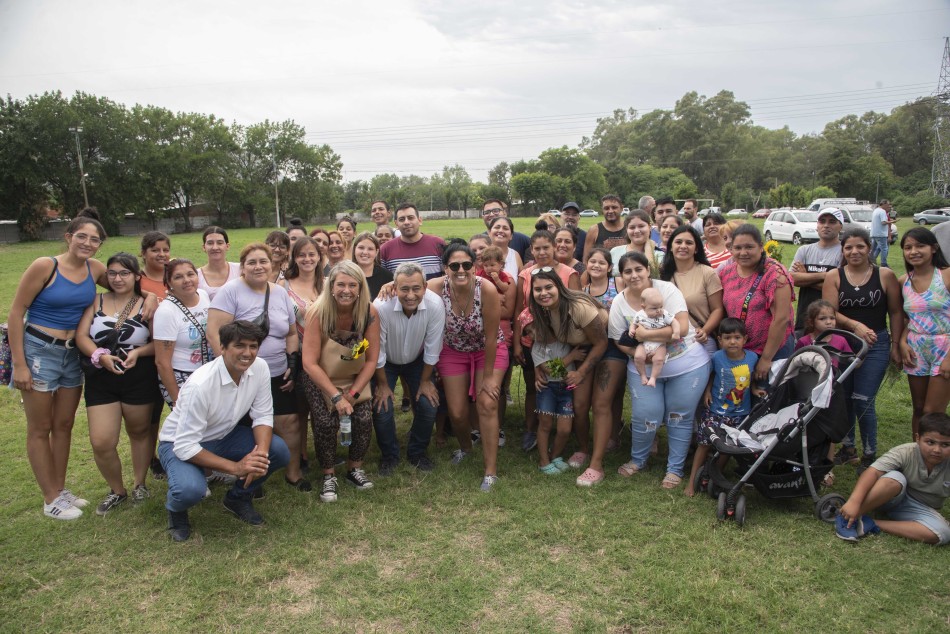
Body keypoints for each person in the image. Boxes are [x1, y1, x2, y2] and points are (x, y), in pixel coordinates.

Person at [9, 208, 111, 519]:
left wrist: (154, 295)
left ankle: (60, 489)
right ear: (68, 237)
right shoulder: (45, 266)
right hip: (39, 351)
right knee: (40, 427)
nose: (87, 243)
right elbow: (16, 313)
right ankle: (49, 497)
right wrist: (20, 364)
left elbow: (125, 283)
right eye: (82, 236)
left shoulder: (95, 269)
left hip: (72, 354)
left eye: (94, 240)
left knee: (64, 425)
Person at [158, 320, 291, 542]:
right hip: (178, 444)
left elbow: (263, 415)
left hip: (223, 437)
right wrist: (236, 467)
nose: (247, 353)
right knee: (189, 490)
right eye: (239, 346)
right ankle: (176, 510)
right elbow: (184, 445)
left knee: (277, 451)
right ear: (222, 348)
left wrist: (259, 456)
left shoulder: (260, 368)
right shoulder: (200, 385)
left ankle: (238, 497)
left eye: (253, 346)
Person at [208, 243, 307, 491]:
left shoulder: (279, 293)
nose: (258, 266)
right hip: (242, 375)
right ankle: (250, 475)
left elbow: (292, 332)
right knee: (246, 427)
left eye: (263, 261)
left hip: (277, 372)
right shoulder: (230, 292)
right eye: (251, 262)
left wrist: (292, 361)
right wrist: (232, 368)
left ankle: (293, 473)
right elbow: (214, 334)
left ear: (271, 264)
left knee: (289, 422)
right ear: (242, 267)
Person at [611, 251, 710, 489]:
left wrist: (645, 335)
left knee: (679, 417)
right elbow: (618, 340)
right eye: (627, 271)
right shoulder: (619, 302)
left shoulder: (666, 291)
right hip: (642, 368)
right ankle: (638, 459)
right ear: (621, 275)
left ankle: (674, 469)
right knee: (646, 415)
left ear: (648, 270)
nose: (634, 275)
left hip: (687, 363)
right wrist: (640, 356)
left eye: (638, 269)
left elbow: (683, 328)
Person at [76, 252, 158, 515]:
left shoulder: (148, 304)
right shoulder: (96, 300)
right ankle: (117, 490)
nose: (118, 278)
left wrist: (138, 352)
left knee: (139, 431)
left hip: (138, 373)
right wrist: (100, 355)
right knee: (101, 441)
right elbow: (81, 335)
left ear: (136, 276)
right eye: (112, 273)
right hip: (102, 374)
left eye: (125, 273)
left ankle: (139, 484)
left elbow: (159, 343)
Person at [823, 228, 903, 471]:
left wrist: (896, 345)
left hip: (876, 343)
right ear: (843, 250)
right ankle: (848, 449)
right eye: (848, 247)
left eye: (860, 246)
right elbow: (830, 312)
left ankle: (870, 453)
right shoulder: (834, 276)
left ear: (869, 248)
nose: (854, 251)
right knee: (844, 398)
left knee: (863, 399)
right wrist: (855, 325)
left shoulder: (885, 275)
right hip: (844, 344)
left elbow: (896, 312)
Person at [301, 261, 381, 502]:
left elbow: (371, 359)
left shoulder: (369, 313)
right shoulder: (317, 312)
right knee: (325, 422)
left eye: (352, 285)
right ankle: (328, 475)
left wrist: (353, 394)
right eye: (341, 284)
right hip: (321, 377)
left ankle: (354, 468)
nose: (346, 290)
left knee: (363, 418)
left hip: (354, 377)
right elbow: (309, 363)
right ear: (331, 287)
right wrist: (336, 397)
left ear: (360, 288)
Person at [430, 242, 507, 492]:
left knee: (487, 403)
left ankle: (491, 471)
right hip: (453, 350)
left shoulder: (486, 289)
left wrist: (486, 378)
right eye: (454, 265)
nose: (461, 270)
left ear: (474, 267)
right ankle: (465, 447)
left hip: (488, 349)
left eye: (466, 265)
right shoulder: (435, 288)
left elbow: (492, 337)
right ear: (445, 268)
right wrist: (390, 286)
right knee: (458, 413)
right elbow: (407, 287)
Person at [527, 269, 607, 475]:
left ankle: (597, 448)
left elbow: (601, 343)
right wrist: (538, 369)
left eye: (548, 287)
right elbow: (540, 348)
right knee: (579, 405)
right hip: (576, 350)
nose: (543, 293)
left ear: (559, 288)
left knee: (598, 402)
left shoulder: (578, 307)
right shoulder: (544, 310)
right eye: (538, 289)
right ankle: (581, 449)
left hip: (603, 345)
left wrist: (580, 373)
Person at [372, 263, 444, 474]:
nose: (410, 295)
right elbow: (378, 351)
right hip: (386, 363)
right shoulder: (381, 306)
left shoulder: (435, 304)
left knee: (429, 404)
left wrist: (424, 381)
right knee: (381, 406)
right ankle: (389, 455)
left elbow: (433, 345)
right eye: (404, 289)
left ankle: (417, 452)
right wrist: (383, 384)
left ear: (425, 286)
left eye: (416, 288)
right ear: (394, 287)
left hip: (416, 360)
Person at [835, 413, 950, 545]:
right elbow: (873, 472)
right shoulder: (905, 451)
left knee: (943, 532)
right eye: (930, 442)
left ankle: (870, 522)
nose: (937, 450)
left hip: (920, 509)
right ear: (918, 438)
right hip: (890, 497)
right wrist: (854, 502)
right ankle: (848, 517)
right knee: (895, 478)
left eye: (945, 445)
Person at [513, 230, 581, 453]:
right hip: (532, 339)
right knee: (536, 384)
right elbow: (518, 309)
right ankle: (532, 429)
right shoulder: (525, 274)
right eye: (537, 248)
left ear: (554, 247)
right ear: (531, 250)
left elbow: (577, 307)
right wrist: (516, 343)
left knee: (562, 381)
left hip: (563, 340)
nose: (542, 252)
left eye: (546, 247)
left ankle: (563, 427)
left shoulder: (568, 273)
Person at [685, 318, 766, 497]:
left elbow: (749, 377)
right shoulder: (716, 357)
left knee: (727, 447)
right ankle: (691, 482)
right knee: (704, 444)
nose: (732, 342)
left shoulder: (752, 358)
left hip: (739, 413)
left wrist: (754, 390)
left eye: (737, 337)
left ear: (745, 339)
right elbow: (710, 375)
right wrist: (707, 391)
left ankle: (714, 475)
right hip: (715, 410)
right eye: (727, 337)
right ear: (720, 340)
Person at [718, 224, 795, 382]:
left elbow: (781, 319)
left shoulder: (775, 275)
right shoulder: (727, 272)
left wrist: (766, 359)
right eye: (737, 248)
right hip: (740, 349)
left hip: (773, 351)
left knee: (768, 399)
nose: (743, 252)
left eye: (749, 247)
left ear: (761, 247)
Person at [898, 227, 950, 438]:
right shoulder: (903, 281)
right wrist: (902, 343)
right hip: (916, 348)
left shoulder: (946, 275)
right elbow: (906, 319)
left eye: (920, 246)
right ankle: (917, 457)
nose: (914, 251)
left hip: (944, 348)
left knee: (933, 412)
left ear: (934, 248)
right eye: (908, 247)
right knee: (919, 408)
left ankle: (936, 459)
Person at [281, 237, 324, 472]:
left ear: (319, 257)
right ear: (294, 258)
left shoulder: (327, 283)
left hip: (324, 357)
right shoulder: (283, 285)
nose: (307, 259)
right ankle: (301, 456)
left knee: (321, 407)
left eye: (312, 254)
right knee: (300, 409)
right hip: (296, 354)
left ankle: (323, 450)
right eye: (302, 255)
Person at [153, 259, 212, 409]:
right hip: (182, 376)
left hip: (208, 372)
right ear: (169, 282)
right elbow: (162, 362)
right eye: (178, 277)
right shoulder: (166, 312)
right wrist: (177, 398)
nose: (186, 280)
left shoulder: (204, 295)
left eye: (190, 274)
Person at [659, 225, 724, 354]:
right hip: (671, 340)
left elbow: (718, 309)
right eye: (678, 242)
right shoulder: (663, 275)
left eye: (689, 243)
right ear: (671, 247)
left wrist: (705, 330)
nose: (683, 246)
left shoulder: (707, 273)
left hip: (699, 339)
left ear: (696, 249)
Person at [791, 208, 844, 331]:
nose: (826, 225)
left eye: (832, 222)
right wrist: (825, 276)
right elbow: (792, 279)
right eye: (822, 221)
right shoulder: (804, 250)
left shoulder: (844, 251)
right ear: (817, 225)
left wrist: (806, 277)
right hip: (805, 319)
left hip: (832, 322)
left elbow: (842, 287)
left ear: (840, 226)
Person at [629, 287, 680, 387]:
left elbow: (675, 322)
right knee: (638, 357)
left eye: (661, 306)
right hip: (644, 344)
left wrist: (676, 332)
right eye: (654, 308)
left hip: (659, 344)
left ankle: (653, 378)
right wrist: (632, 329)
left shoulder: (664, 314)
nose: (659, 310)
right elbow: (633, 323)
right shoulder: (639, 315)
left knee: (658, 359)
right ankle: (643, 376)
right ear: (643, 307)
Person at [380, 203, 446, 280]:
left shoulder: (438, 244)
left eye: (410, 218)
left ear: (420, 220)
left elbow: (447, 277)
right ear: (396, 224)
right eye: (402, 219)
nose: (406, 222)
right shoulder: (385, 249)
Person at [197, 226, 241, 301]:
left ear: (227, 246)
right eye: (210, 243)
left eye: (220, 243)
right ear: (204, 247)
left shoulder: (240, 270)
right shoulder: (196, 275)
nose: (215, 247)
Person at [610, 210, 656, 276]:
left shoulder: (659, 255)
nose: (636, 231)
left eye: (641, 226)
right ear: (627, 229)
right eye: (632, 227)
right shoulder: (615, 252)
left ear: (650, 227)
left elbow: (655, 277)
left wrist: (649, 249)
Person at [583, 194, 627, 262]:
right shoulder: (594, 230)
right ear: (602, 210)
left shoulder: (629, 228)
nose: (610, 211)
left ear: (621, 208)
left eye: (614, 207)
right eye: (606, 208)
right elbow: (586, 259)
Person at [352, 231, 393, 301]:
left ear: (376, 252)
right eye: (361, 248)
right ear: (354, 249)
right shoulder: (346, 273)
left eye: (370, 249)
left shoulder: (387, 276)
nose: (365, 252)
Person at [488, 216, 524, 280]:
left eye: (505, 228)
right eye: (497, 227)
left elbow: (521, 282)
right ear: (489, 233)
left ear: (511, 236)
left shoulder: (515, 255)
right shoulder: (483, 254)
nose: (501, 230)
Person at [139, 231, 170, 300]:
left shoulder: (177, 276)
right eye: (155, 250)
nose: (162, 254)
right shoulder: (136, 281)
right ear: (143, 254)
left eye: (165, 250)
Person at [870, 200, 897, 267]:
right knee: (884, 248)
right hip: (881, 234)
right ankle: (884, 263)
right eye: (888, 205)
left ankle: (870, 261)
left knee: (873, 249)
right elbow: (883, 222)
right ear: (884, 204)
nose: (888, 206)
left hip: (874, 233)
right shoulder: (882, 211)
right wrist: (892, 221)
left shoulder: (876, 210)